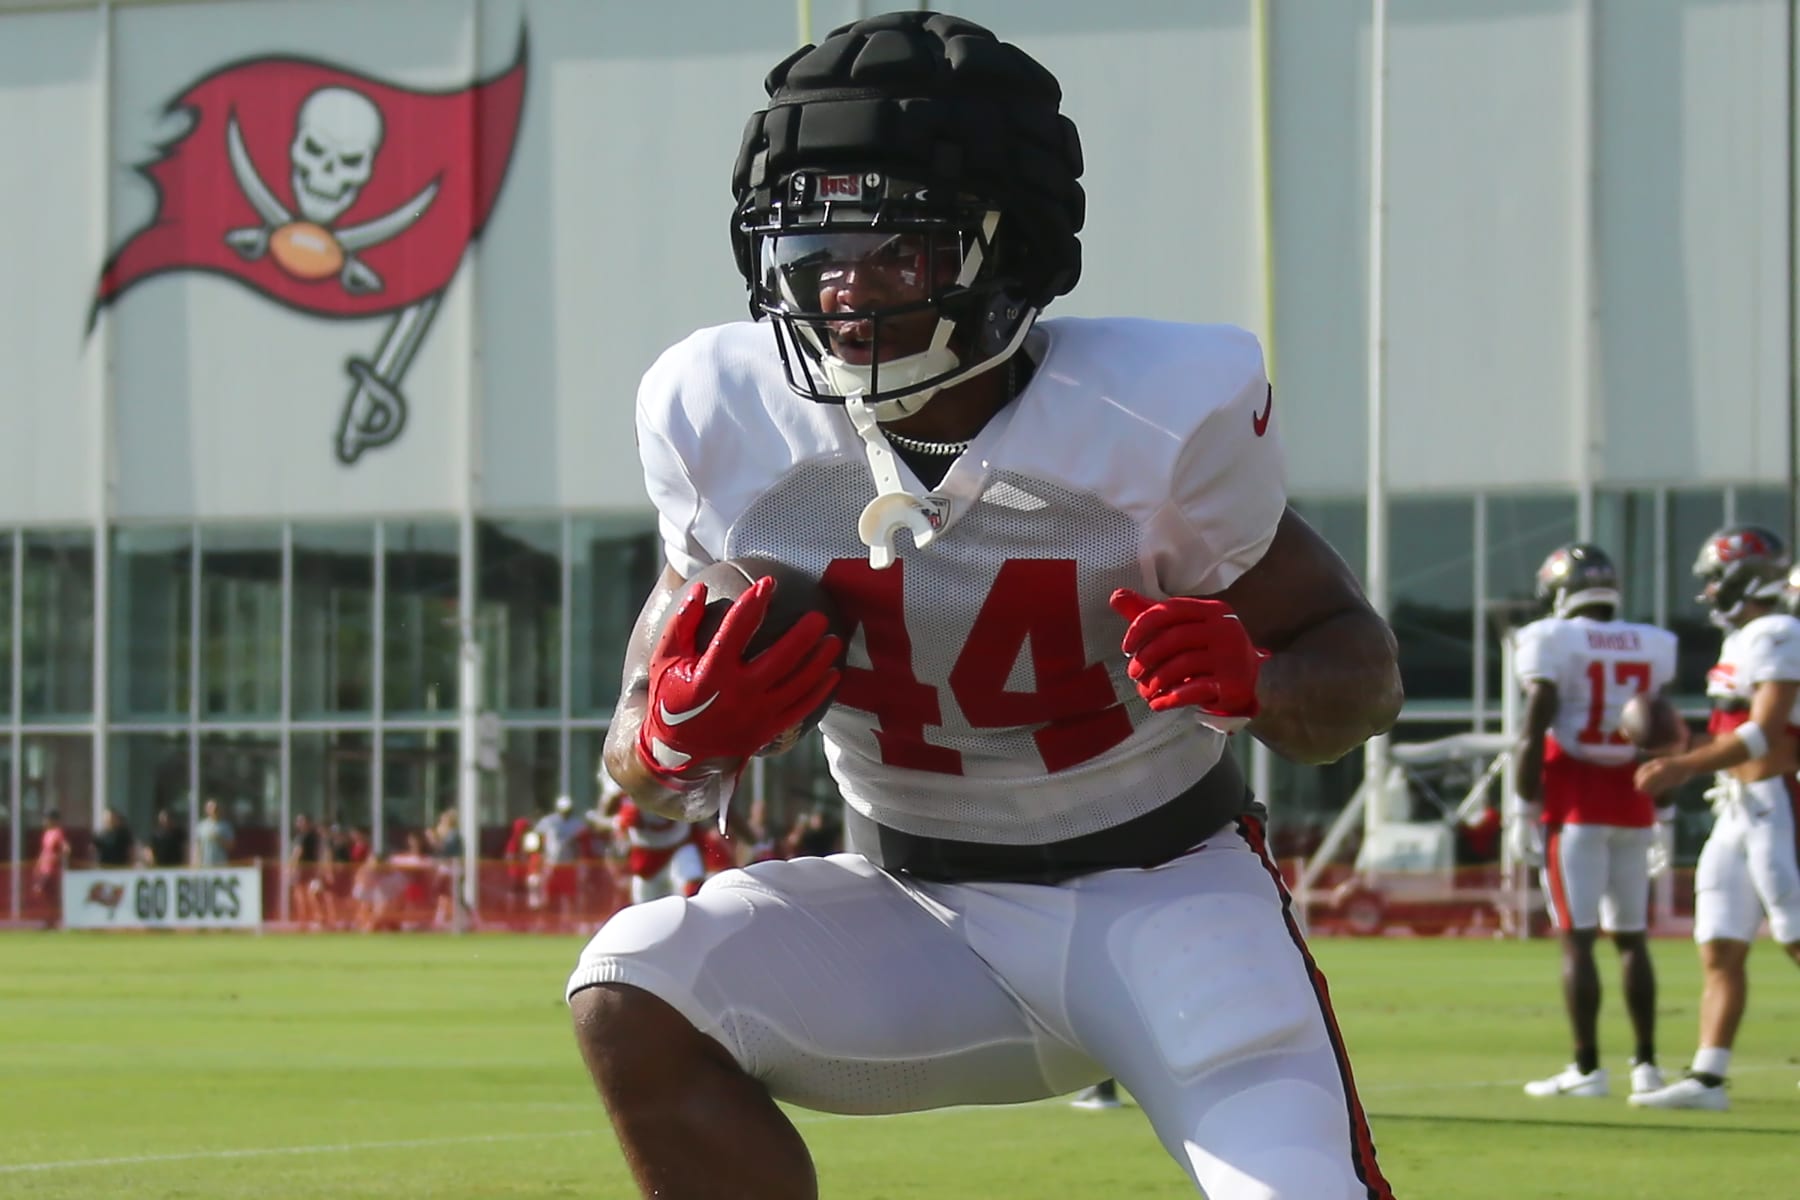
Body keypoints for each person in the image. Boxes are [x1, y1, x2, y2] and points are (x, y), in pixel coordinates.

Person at [563, 14, 1404, 1198]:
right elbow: (638, 760)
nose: (841, 285)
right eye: (809, 245)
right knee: (634, 982)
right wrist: (673, 736)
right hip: (914, 911)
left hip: (1168, 895)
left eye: (894, 250)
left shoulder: (1157, 421)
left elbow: (1361, 672)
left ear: (1008, 254)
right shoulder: (726, 419)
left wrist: (1266, 685)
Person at [1629, 525, 1800, 1111]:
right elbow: (1734, 731)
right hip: (1735, 807)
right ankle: (1708, 1077)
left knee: (1797, 935)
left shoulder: (1779, 632)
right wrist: (1684, 752)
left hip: (1777, 800)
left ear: (1741, 577)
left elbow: (1764, 732)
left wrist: (1684, 765)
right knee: (1720, 945)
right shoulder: (1745, 639)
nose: (1706, 591)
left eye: (1712, 579)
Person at [1509, 544, 1680, 1100]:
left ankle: (1587, 1069)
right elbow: (1668, 731)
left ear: (1560, 590)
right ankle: (1647, 1067)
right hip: (1634, 801)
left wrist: (1522, 806)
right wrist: (1667, 808)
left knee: (1577, 940)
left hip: (1574, 803)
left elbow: (1535, 728)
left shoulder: (1552, 639)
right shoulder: (1654, 644)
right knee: (1632, 940)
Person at [32, 809, 71, 928]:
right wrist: (38, 864)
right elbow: (44, 851)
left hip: (52, 870)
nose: (44, 821)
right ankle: (49, 919)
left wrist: (57, 857)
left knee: (44, 891)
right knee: (45, 894)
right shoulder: (47, 834)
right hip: (44, 868)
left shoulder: (58, 833)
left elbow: (66, 849)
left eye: (47, 819)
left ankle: (53, 919)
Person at [192, 798, 234, 867]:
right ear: (206, 810)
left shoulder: (226, 826)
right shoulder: (201, 826)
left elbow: (231, 846)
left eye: (216, 808)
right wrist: (196, 862)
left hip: (221, 864)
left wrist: (219, 838)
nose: (213, 810)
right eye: (210, 808)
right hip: (204, 865)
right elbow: (197, 846)